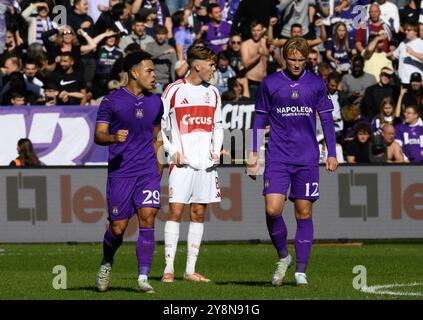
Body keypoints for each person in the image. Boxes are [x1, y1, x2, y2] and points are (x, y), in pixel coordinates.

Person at [247, 37, 338, 286]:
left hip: (307, 157)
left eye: (301, 59)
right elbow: (258, 121)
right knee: (272, 209)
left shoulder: (316, 83)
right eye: (292, 59)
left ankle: (301, 271)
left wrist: (332, 152)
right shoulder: (271, 83)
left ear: (307, 59)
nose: (297, 64)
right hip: (277, 156)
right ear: (283, 59)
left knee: (303, 212)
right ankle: (284, 256)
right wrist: (253, 152)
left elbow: (327, 120)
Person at [94, 51, 164, 293]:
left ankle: (143, 277)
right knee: (117, 228)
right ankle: (107, 261)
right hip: (121, 173)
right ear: (134, 73)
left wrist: (160, 164)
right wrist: (113, 137)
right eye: (149, 71)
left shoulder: (156, 101)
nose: (154, 75)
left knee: (148, 218)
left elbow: (157, 136)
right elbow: (98, 135)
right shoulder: (111, 101)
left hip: (147, 172)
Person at [160, 45, 223, 283]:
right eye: (211, 65)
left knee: (198, 212)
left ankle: (190, 270)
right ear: (197, 65)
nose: (213, 69)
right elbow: (160, 128)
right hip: (182, 164)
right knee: (175, 211)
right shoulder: (174, 90)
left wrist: (215, 151)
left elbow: (218, 126)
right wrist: (172, 151)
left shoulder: (214, 92)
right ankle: (168, 269)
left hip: (205, 165)